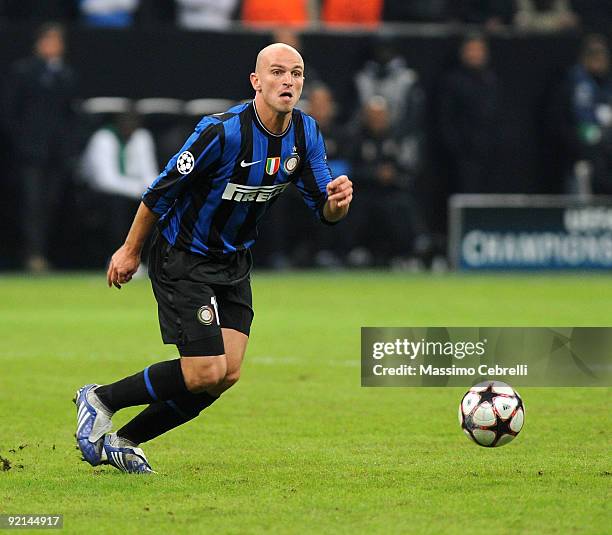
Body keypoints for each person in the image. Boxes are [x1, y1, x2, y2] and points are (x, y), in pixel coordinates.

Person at [74, 43, 353, 474]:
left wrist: (338, 201)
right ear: (256, 82)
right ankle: (101, 399)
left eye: (296, 74)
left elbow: (324, 208)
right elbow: (159, 192)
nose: (288, 81)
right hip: (183, 257)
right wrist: (130, 251)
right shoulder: (221, 132)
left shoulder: (306, 133)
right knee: (205, 370)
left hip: (234, 263)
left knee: (227, 373)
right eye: (277, 72)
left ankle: (124, 441)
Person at [2, 23, 78, 272]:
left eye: (59, 42)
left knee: (50, 204)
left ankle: (44, 252)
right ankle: (31, 254)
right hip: (30, 153)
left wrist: (68, 148)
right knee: (31, 204)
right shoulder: (23, 72)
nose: (55, 47)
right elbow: (10, 112)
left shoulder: (66, 75)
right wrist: (21, 143)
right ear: (39, 43)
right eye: (50, 41)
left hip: (56, 155)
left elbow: (70, 116)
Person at [81, 110, 158, 257]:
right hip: (97, 195)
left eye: (134, 121)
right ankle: (117, 255)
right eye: (126, 120)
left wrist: (152, 193)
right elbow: (105, 181)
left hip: (134, 193)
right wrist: (138, 191)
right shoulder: (103, 138)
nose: (129, 125)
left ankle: (150, 258)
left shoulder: (142, 137)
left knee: (157, 204)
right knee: (118, 205)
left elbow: (149, 173)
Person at [437, 34, 502, 193]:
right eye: (471, 50)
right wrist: (457, 146)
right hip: (462, 154)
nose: (474, 54)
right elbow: (445, 118)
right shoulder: (451, 81)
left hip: (489, 153)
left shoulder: (491, 80)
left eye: (478, 50)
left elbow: (495, 115)